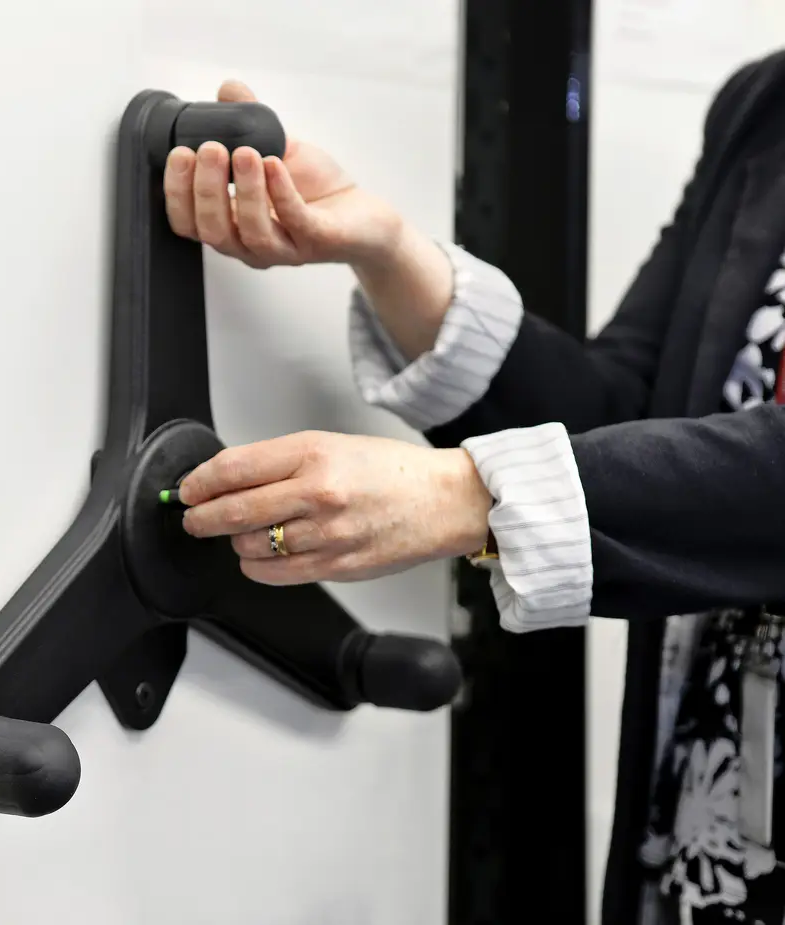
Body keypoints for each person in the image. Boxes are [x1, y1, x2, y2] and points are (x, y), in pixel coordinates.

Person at [163, 61, 785, 925]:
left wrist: (464, 496)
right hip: (711, 829)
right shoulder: (765, 106)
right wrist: (387, 252)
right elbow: (628, 421)